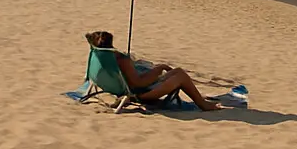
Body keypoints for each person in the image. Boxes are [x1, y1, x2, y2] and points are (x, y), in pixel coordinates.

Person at [86, 30, 222, 111]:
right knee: (181, 76)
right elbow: (139, 83)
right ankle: (203, 104)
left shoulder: (99, 56)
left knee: (177, 71)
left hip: (118, 88)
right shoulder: (121, 59)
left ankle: (201, 100)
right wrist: (158, 70)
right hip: (138, 94)